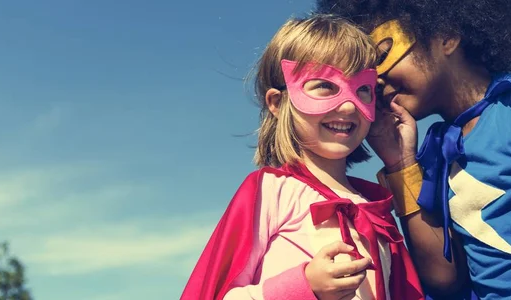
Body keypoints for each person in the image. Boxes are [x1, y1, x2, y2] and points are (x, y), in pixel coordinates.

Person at [316, 1, 511, 299]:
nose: (378, 81)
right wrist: (401, 163)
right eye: (369, 74)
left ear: (446, 36)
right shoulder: (435, 152)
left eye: (383, 57)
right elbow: (443, 279)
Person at [180, 14, 423, 300]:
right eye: (324, 86)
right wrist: (304, 286)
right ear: (278, 102)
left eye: (362, 90)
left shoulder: (376, 207)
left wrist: (400, 161)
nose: (347, 107)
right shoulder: (272, 191)